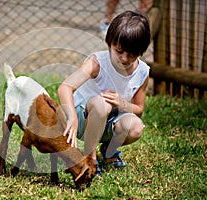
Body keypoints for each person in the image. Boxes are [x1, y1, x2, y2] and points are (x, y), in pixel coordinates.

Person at [58, 10, 151, 175]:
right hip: (82, 118)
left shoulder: (142, 72)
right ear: (110, 43)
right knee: (102, 105)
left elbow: (139, 109)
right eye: (119, 51)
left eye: (131, 54)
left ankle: (109, 152)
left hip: (111, 119)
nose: (124, 58)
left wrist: (122, 103)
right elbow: (65, 87)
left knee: (135, 127)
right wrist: (71, 116)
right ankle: (89, 158)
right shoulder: (98, 62)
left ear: (141, 51)